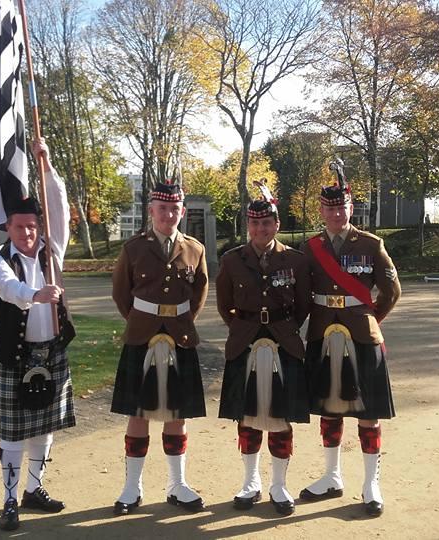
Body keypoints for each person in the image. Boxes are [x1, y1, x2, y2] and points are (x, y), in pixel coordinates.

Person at [299, 160, 401, 517]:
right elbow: (301, 293)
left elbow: (391, 291)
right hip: (323, 334)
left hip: (361, 334)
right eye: (330, 208)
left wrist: (370, 318)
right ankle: (332, 475)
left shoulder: (371, 244)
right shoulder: (309, 248)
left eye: (341, 206)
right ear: (322, 211)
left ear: (350, 207)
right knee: (330, 408)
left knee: (368, 411)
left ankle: (371, 482)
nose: (336, 213)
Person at [0, 138, 76, 531]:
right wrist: (34, 295)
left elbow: (62, 210)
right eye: (21, 227)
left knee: (45, 427)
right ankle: (8, 499)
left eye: (33, 226)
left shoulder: (51, 250)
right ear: (9, 227)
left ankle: (34, 490)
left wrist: (47, 164)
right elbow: (6, 287)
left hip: (52, 351)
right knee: (14, 434)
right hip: (17, 355)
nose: (28, 233)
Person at [110, 179, 209, 516]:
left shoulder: (195, 249)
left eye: (174, 208)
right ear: (151, 210)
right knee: (138, 414)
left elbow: (199, 293)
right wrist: (142, 320)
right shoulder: (133, 248)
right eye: (162, 208)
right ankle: (132, 487)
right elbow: (122, 294)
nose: (168, 214)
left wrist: (180, 321)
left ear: (182, 211)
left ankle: (176, 485)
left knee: (177, 414)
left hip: (180, 337)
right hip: (142, 337)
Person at [215, 182, 311, 515]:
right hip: (244, 341)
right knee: (247, 415)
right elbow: (224, 303)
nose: (260, 228)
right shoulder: (231, 260)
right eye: (255, 223)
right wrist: (244, 328)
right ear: (248, 226)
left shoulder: (296, 261)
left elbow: (302, 306)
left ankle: (279, 485)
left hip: (284, 340)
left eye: (267, 223)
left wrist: (281, 327)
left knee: (282, 417)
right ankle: (250, 481)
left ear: (277, 225)